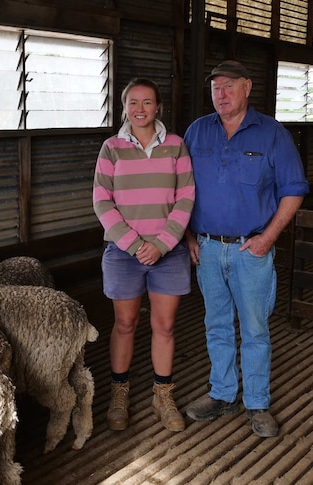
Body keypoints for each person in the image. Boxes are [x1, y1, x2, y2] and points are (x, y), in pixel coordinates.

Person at [183, 60, 309, 437]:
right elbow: (180, 188)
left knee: (255, 329)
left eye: (228, 87)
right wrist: (189, 237)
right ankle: (222, 393)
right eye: (215, 88)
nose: (220, 95)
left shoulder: (271, 134)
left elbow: (294, 190)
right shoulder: (197, 131)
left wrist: (267, 238)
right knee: (216, 325)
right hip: (206, 248)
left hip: (249, 250)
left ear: (247, 87)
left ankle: (257, 403)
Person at [93, 78, 196, 432]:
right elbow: (101, 201)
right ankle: (119, 393)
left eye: (147, 102)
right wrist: (136, 245)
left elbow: (186, 198)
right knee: (124, 324)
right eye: (133, 102)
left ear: (158, 107)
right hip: (124, 252)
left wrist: (163, 243)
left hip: (168, 251)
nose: (140, 109)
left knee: (164, 326)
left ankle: (162, 395)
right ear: (124, 107)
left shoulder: (177, 146)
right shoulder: (112, 148)